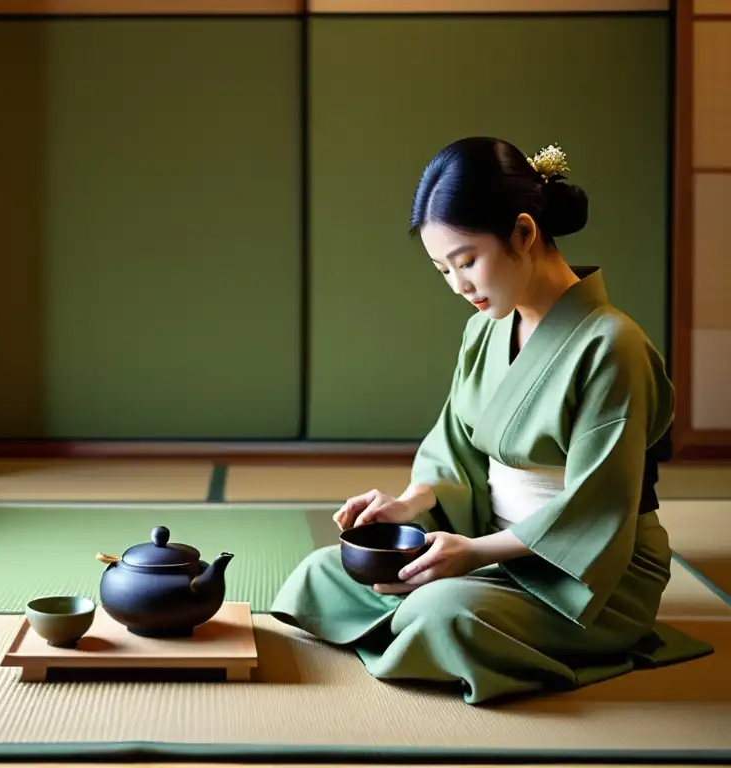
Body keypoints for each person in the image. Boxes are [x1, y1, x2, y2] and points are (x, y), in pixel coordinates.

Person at [269, 136, 713, 705]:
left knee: (439, 612)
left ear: (524, 234)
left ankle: (445, 621)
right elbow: (455, 444)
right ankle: (440, 619)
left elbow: (599, 503)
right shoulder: (484, 330)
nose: (459, 286)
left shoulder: (613, 345)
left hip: (588, 577)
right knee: (320, 574)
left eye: (467, 261)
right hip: (485, 544)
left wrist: (474, 555)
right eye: (442, 270)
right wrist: (412, 503)